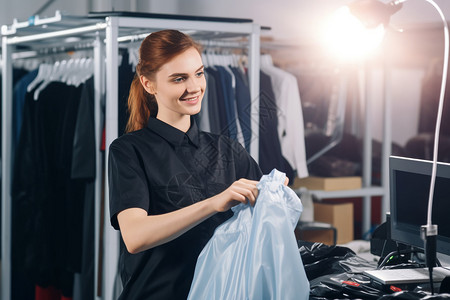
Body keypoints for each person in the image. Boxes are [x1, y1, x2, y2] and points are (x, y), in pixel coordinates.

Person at [108, 29, 263, 299]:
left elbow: (265, 220)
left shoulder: (227, 149)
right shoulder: (128, 150)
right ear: (149, 85)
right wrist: (214, 203)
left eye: (199, 74)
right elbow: (134, 236)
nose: (194, 87)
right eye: (179, 78)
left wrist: (275, 192)